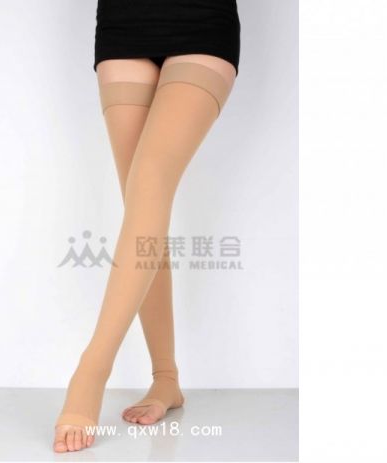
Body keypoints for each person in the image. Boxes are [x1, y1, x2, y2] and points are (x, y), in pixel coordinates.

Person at [54, 0, 241, 452]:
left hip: (202, 21)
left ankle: (91, 370)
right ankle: (166, 379)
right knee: (141, 208)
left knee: (151, 180)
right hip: (124, 22)